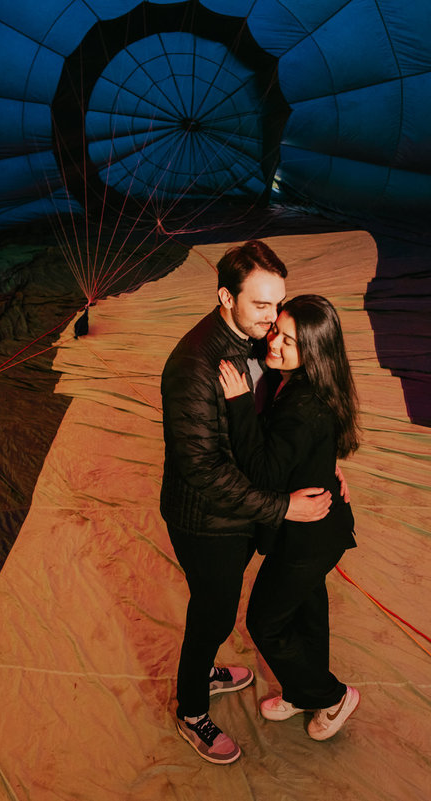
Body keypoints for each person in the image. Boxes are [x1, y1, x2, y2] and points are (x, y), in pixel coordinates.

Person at [160, 241, 333, 765]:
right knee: (211, 617)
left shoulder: (259, 339)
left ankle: (206, 671)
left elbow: (272, 428)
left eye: (277, 303)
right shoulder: (193, 366)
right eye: (261, 305)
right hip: (207, 520)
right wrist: (284, 509)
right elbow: (203, 472)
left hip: (242, 513)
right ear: (225, 297)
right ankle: (191, 709)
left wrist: (324, 467)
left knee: (222, 609)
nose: (273, 318)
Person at [217, 294, 362, 742]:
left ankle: (330, 695)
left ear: (314, 353)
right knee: (308, 614)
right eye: (277, 330)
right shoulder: (308, 383)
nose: (274, 344)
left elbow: (261, 472)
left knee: (266, 621)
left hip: (307, 537)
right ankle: (304, 693)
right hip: (321, 525)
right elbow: (310, 445)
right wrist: (326, 464)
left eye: (289, 342)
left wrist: (239, 401)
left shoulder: (302, 407)